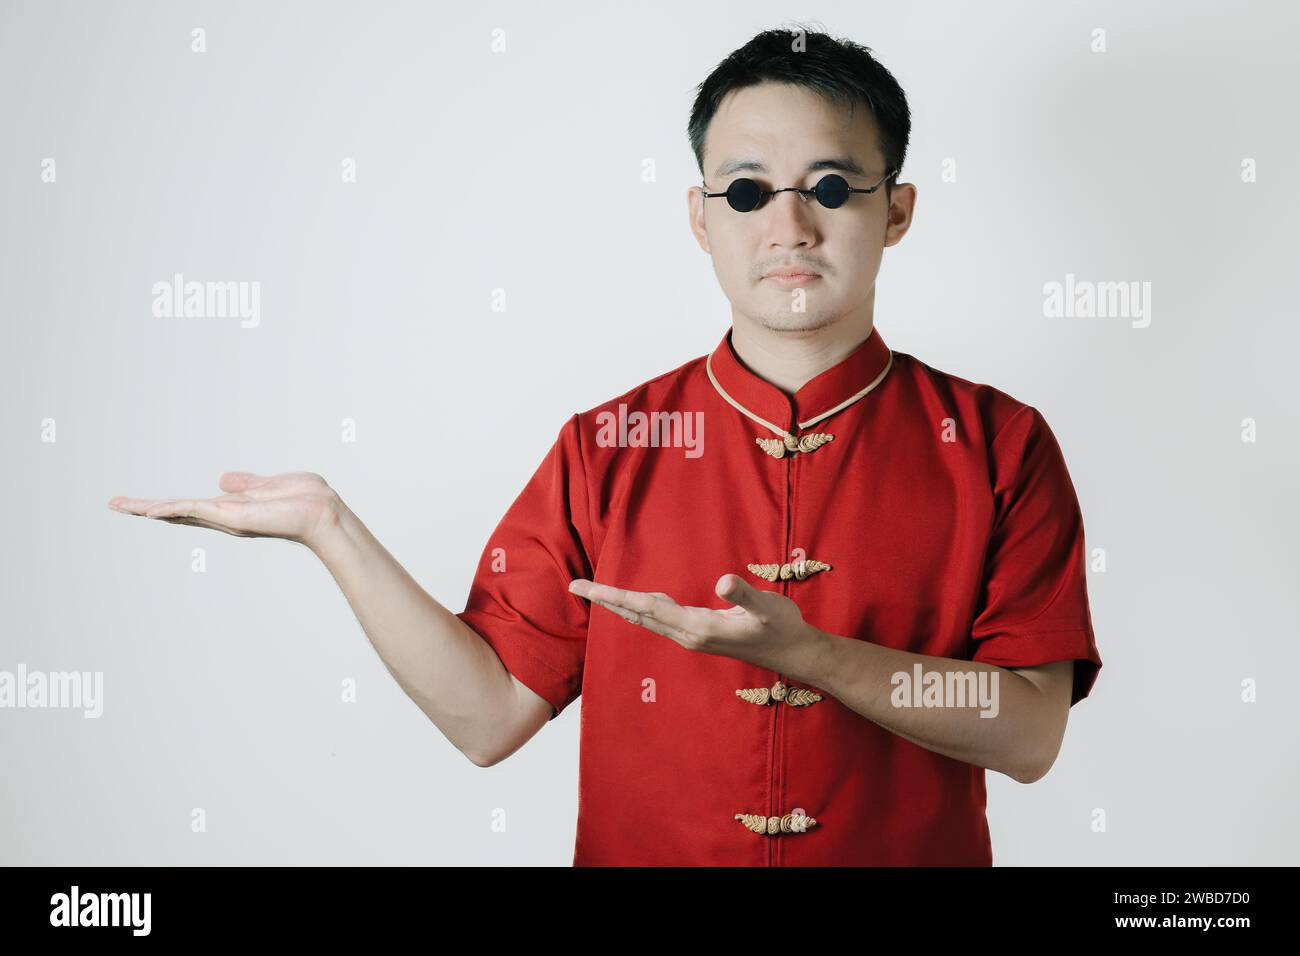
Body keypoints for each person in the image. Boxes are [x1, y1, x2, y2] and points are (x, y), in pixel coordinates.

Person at [108, 26, 1101, 866]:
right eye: (748, 192)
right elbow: (490, 712)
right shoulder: (608, 445)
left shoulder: (997, 444)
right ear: (700, 218)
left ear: (896, 210)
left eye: (831, 186)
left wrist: (813, 655)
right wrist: (331, 528)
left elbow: (1026, 731)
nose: (789, 224)